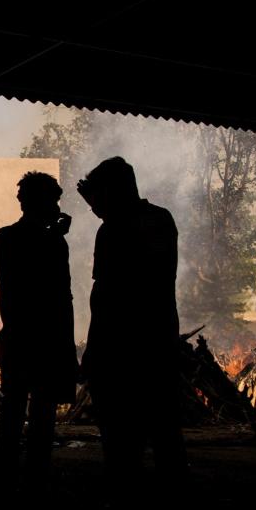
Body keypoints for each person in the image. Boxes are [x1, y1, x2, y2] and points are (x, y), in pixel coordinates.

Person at [77, 156, 187, 492]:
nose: (94, 209)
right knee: (165, 429)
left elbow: (107, 297)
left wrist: (92, 354)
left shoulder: (113, 230)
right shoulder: (161, 220)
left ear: (111, 192)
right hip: (160, 343)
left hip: (120, 351)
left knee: (121, 437)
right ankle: (173, 493)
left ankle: (125, 495)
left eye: (96, 200)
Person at [0, 171, 78, 483]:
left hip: (17, 336)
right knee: (42, 411)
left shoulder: (4, 238)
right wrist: (55, 237)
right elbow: (55, 293)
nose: (56, 206)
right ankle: (36, 475)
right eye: (53, 200)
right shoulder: (50, 243)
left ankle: (7, 474)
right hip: (44, 339)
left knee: (13, 409)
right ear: (39, 203)